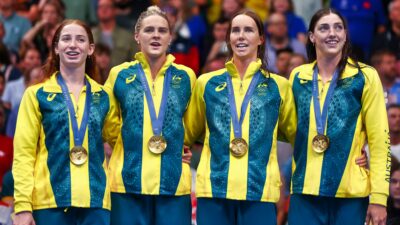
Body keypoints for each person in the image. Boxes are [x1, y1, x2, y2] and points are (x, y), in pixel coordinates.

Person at [184, 9, 297, 225]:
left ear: (261, 39)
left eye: (248, 30)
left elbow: (298, 136)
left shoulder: (279, 86)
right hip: (213, 191)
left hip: (260, 192)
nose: (241, 36)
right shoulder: (206, 83)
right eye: (235, 30)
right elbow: (187, 133)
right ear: (228, 38)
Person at [288, 8, 390, 225]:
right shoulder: (298, 76)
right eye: (324, 28)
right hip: (305, 190)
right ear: (312, 36)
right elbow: (287, 129)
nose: (332, 33)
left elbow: (380, 139)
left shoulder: (365, 76)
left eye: (338, 27)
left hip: (351, 194)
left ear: (345, 35)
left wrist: (379, 198)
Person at [12, 19, 120, 225]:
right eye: (66, 39)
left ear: (90, 49)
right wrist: (23, 206)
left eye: (80, 39)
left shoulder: (104, 95)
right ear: (56, 48)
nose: (73, 44)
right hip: (48, 204)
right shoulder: (37, 95)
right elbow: (23, 155)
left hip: (96, 203)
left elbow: (122, 140)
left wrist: (175, 150)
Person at [105, 6, 196, 225]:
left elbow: (192, 124)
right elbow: (108, 122)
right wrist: (135, 142)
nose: (156, 35)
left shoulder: (186, 76)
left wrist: (178, 145)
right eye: (149, 30)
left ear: (170, 37)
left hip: (173, 183)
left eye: (162, 30)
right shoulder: (119, 74)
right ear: (137, 36)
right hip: (127, 182)